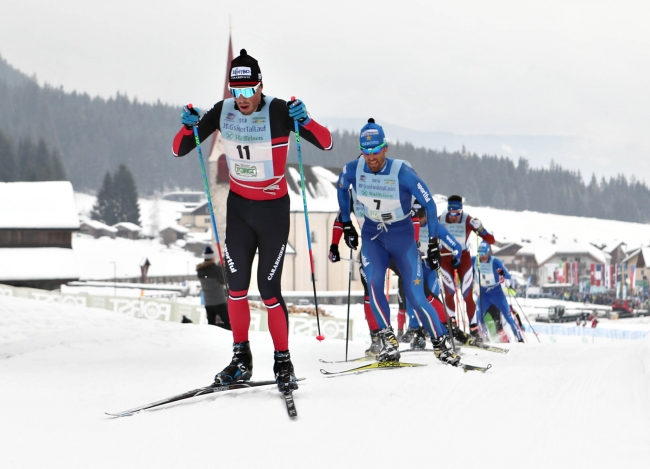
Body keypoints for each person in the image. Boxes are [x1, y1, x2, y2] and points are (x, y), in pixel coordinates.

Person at [172, 49, 333, 392]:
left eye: (248, 91)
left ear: (260, 86)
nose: (242, 99)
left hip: (273, 214)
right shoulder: (223, 110)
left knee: (269, 290)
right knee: (237, 288)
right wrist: (188, 127)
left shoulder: (277, 110)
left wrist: (304, 119)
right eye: (236, 91)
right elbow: (180, 148)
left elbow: (325, 141)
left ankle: (282, 360)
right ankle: (240, 359)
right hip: (240, 211)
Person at [336, 118, 460, 366]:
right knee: (373, 284)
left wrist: (433, 243)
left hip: (402, 236)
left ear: (385, 147)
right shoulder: (353, 169)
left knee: (415, 295)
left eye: (375, 151)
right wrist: (347, 223)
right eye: (365, 151)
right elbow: (341, 187)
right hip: (373, 235)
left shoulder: (402, 172)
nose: (370, 157)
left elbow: (429, 204)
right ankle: (389, 341)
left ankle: (440, 343)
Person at [438, 194, 495, 342]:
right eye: (451, 213)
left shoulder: (468, 220)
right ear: (448, 211)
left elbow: (490, 240)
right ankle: (452, 328)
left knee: (467, 295)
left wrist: (480, 228)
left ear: (461, 211)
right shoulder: (441, 219)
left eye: (457, 214)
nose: (454, 217)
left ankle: (474, 329)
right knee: (449, 294)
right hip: (445, 259)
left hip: (463, 260)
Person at [473, 241, 523, 343]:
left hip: (497, 294)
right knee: (478, 317)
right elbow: (461, 262)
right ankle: (484, 339)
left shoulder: (495, 261)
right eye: (480, 254)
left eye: (484, 254)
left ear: (488, 253)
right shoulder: (474, 260)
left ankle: (520, 339)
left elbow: (507, 275)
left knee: (508, 317)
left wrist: (502, 273)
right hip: (484, 295)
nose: (482, 257)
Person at [196, 246, 230, 330]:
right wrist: (224, 269)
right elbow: (225, 281)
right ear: (212, 258)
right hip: (219, 301)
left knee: (211, 325)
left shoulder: (200, 271)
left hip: (208, 302)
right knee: (228, 323)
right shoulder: (216, 270)